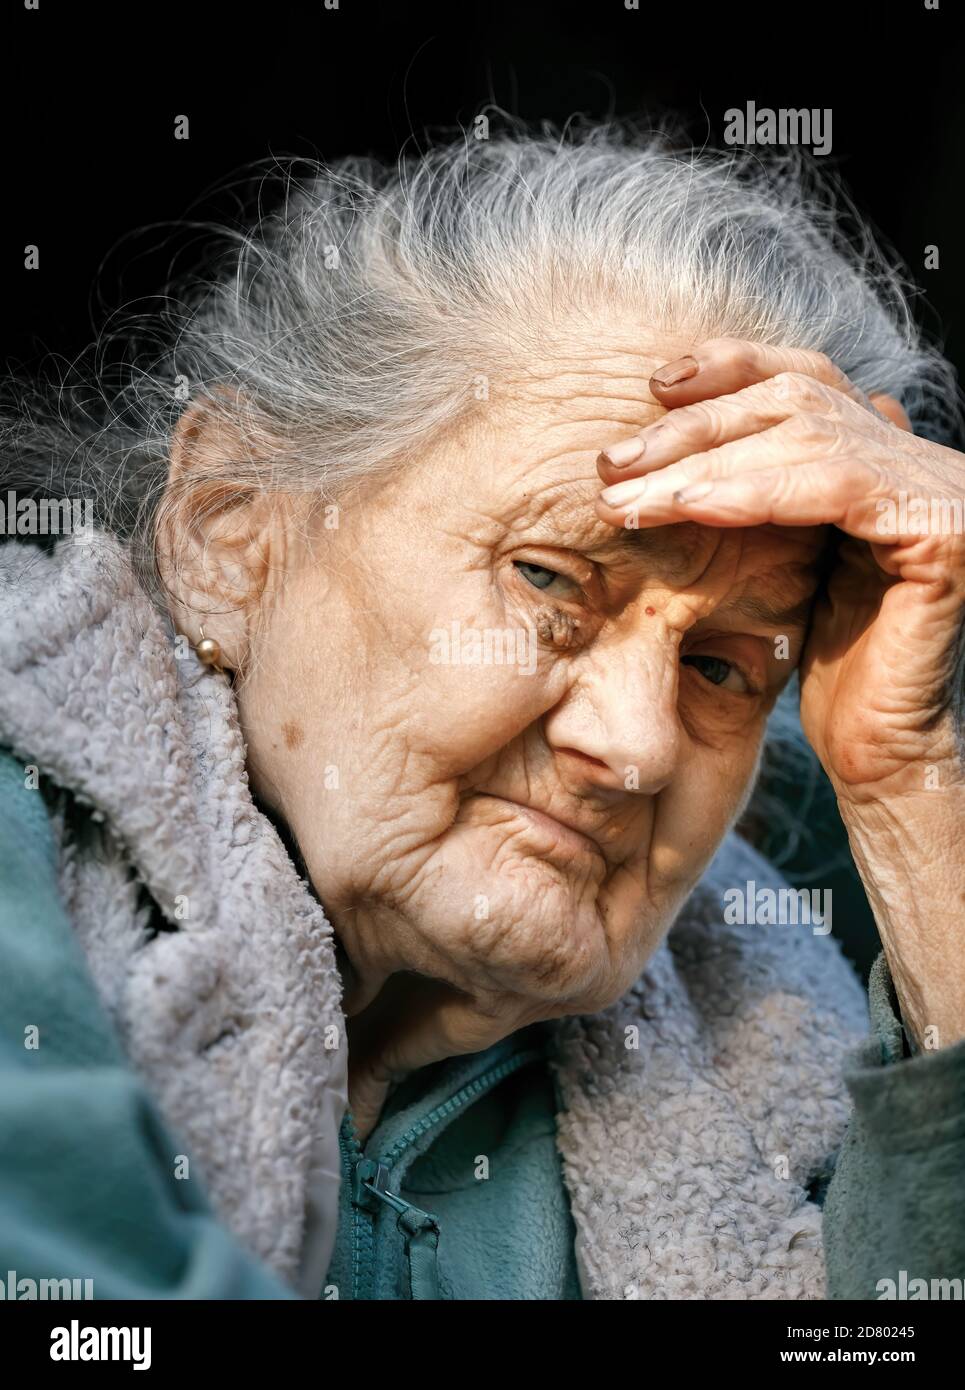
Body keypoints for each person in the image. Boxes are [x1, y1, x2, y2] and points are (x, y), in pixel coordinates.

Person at [1, 126, 963, 1301]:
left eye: (720, 669)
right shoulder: (29, 836)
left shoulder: (765, 1041)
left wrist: (909, 792)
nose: (635, 745)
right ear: (229, 528)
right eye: (549, 580)